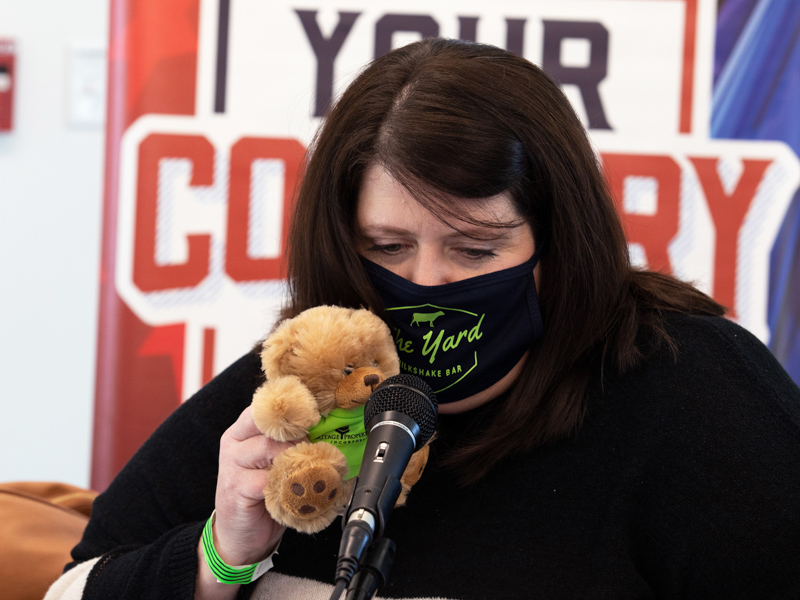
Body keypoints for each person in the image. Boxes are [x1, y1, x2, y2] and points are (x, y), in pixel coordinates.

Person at [46, 38, 800, 600]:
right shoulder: (301, 389)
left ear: (557, 241)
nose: (428, 280)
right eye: (389, 245)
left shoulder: (695, 391)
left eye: (474, 249)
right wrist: (221, 556)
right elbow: (74, 584)